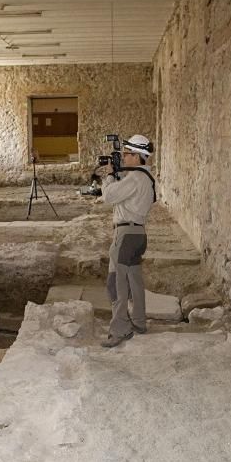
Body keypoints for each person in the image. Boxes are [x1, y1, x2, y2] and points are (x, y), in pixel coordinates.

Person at [99, 135, 157, 348]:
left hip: (125, 235)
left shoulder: (134, 179)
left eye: (127, 154)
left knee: (116, 283)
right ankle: (140, 322)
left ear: (138, 156)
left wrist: (109, 177)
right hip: (139, 234)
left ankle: (120, 330)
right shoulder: (145, 178)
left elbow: (108, 196)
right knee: (134, 281)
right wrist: (118, 175)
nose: (123, 158)